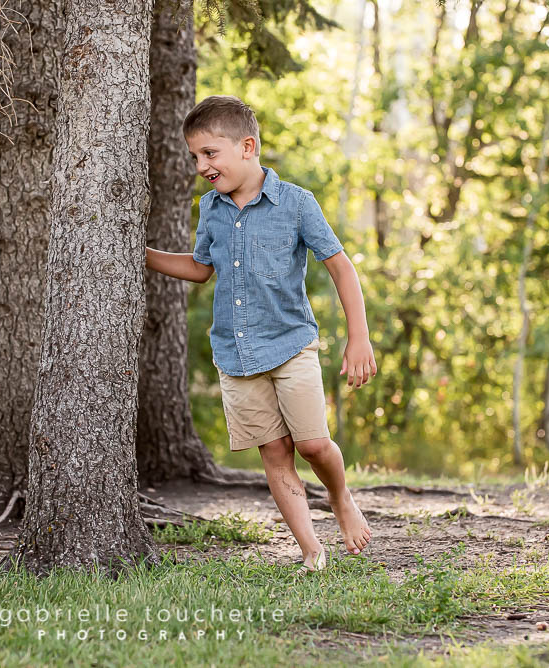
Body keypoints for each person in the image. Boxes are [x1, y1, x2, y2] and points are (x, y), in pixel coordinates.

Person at [145, 96, 377, 572]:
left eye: (210, 153)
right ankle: (311, 550)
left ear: (247, 147)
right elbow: (200, 268)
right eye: (195, 156)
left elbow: (340, 267)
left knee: (312, 445)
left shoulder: (296, 203)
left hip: (291, 345)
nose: (201, 166)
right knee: (274, 451)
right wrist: (140, 252)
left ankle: (340, 498)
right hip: (236, 355)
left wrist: (359, 337)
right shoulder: (211, 208)